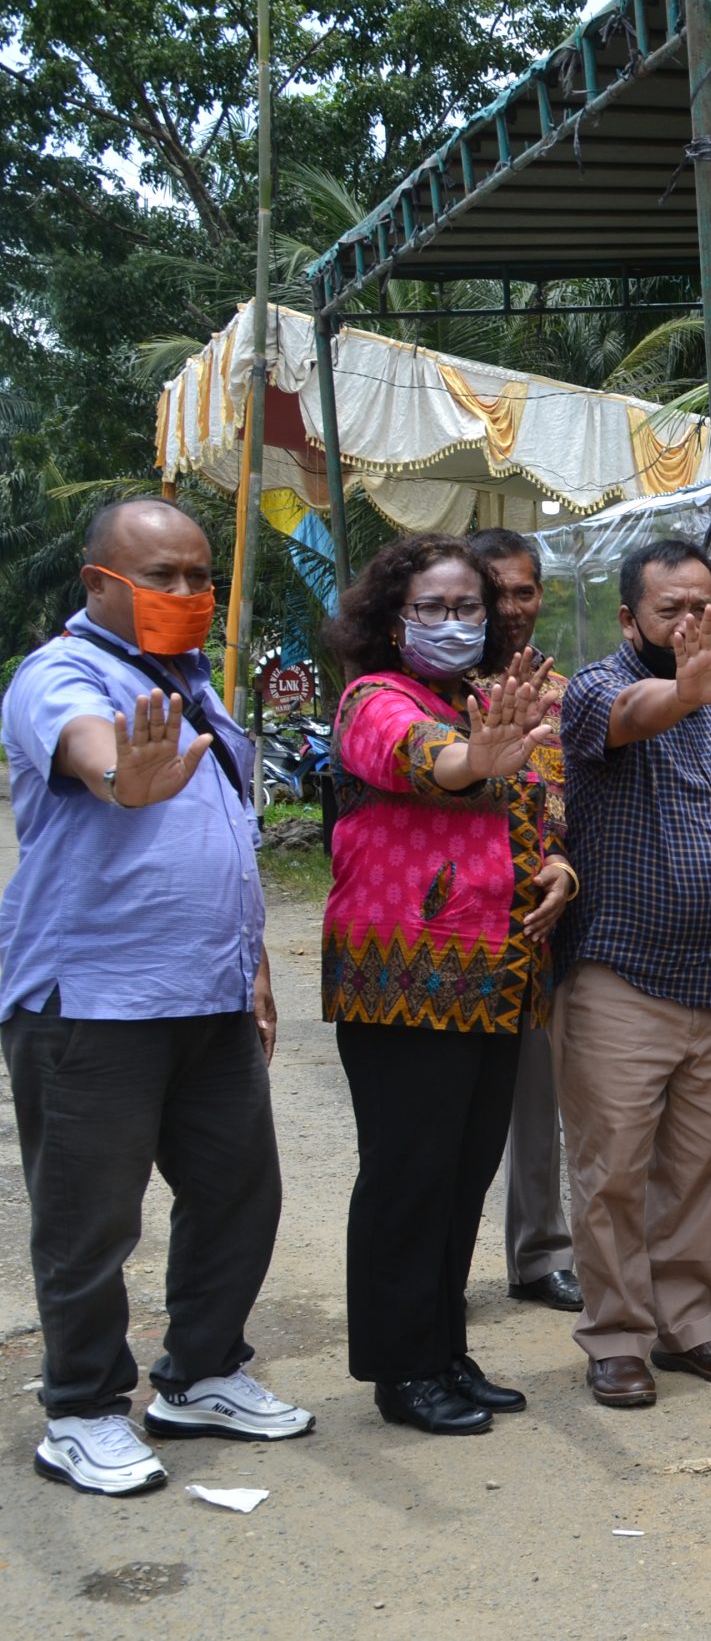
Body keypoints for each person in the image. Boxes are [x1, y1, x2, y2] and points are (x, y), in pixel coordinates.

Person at [0, 498, 309, 1496]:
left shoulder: (192, 685)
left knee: (237, 1192)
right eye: (161, 577)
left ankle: (201, 1375)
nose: (187, 593)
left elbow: (222, 840)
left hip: (207, 1001)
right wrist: (119, 777)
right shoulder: (61, 675)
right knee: (90, 1220)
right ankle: (82, 1409)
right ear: (99, 583)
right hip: (91, 1002)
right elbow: (96, 752)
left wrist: (253, 966)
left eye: (198, 576)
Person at [323, 535, 574, 1434]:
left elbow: (540, 811)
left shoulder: (488, 700)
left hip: (497, 982)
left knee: (464, 1176)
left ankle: (442, 1346)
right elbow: (428, 759)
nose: (456, 622)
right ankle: (400, 1369)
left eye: (470, 607)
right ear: (394, 617)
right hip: (402, 986)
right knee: (408, 1177)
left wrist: (559, 870)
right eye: (432, 607)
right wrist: (479, 755)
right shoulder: (374, 700)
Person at [554, 539, 711, 1408]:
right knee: (612, 1166)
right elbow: (634, 716)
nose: (688, 622)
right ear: (628, 618)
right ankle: (616, 1337)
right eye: (669, 609)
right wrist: (680, 692)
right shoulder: (596, 691)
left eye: (700, 606)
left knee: (703, 1158)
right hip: (621, 973)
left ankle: (689, 1323)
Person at [465, 526, 583, 1316]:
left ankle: (539, 1254)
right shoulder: (432, 690)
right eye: (493, 592)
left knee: (538, 1106)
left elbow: (588, 809)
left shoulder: (566, 695)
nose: (512, 607)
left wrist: (565, 867)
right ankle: (435, 1255)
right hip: (455, 932)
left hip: (541, 931)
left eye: (525, 590)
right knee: (449, 1114)